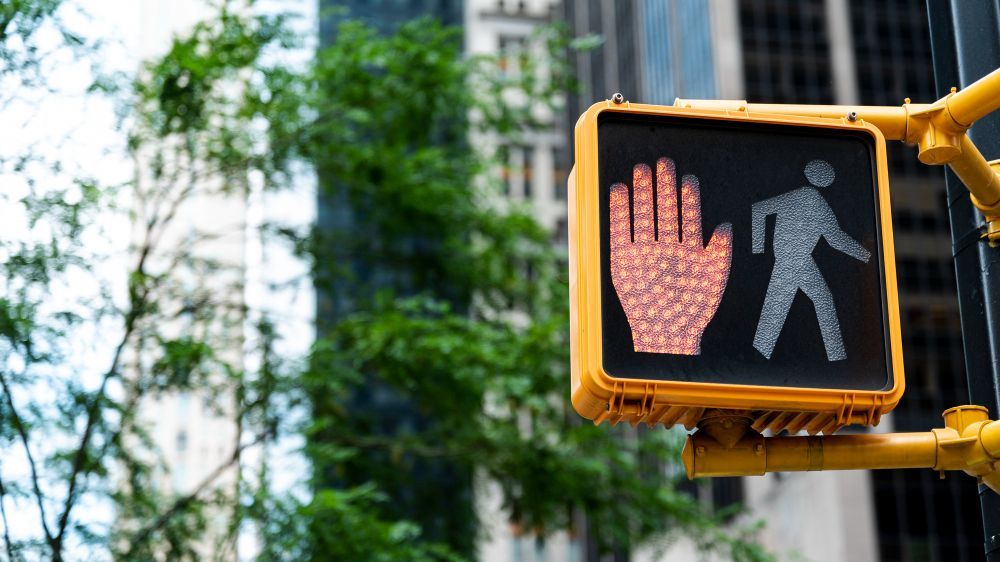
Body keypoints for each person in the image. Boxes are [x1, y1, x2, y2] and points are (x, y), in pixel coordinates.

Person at [751, 159, 870, 361]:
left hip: (795, 259)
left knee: (797, 302)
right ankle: (835, 357)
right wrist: (758, 249)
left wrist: (865, 255)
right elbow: (759, 209)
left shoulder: (807, 200)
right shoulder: (812, 200)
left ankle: (835, 356)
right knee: (802, 302)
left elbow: (835, 239)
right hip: (792, 259)